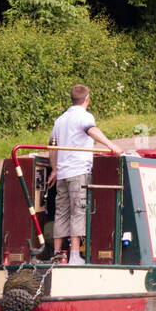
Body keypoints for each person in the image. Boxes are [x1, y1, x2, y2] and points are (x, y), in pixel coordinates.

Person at [48, 84, 120, 265]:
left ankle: (57, 254)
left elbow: (52, 147)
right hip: (79, 171)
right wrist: (112, 146)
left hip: (63, 173)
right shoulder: (85, 117)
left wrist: (55, 169)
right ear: (87, 99)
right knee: (78, 211)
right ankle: (73, 256)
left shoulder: (60, 120)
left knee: (61, 212)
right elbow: (92, 130)